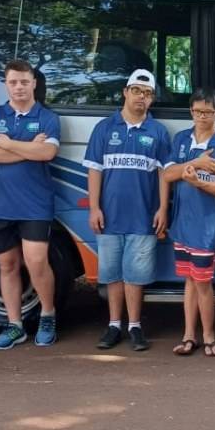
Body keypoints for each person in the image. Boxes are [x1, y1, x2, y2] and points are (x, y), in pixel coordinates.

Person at [0, 59, 61, 350]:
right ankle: (15, 326)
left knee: (37, 263)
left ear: (34, 82)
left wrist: (8, 144)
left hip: (36, 204)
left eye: (24, 81)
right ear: (6, 85)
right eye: (13, 82)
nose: (19, 87)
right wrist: (28, 149)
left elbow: (47, 152)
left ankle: (48, 315)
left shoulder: (48, 117)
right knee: (7, 265)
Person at [85, 69, 171, 352]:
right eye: (136, 91)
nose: (141, 98)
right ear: (125, 92)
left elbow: (163, 175)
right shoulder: (104, 128)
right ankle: (113, 325)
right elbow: (95, 172)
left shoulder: (158, 132)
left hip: (143, 217)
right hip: (109, 217)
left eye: (147, 94)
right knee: (112, 274)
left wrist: (162, 208)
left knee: (135, 275)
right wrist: (94, 207)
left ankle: (135, 326)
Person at [161, 87, 215, 357]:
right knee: (189, 282)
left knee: (203, 282)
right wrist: (196, 164)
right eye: (196, 111)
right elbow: (168, 174)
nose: (201, 116)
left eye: (207, 112)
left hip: (206, 227)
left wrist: (196, 181)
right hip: (182, 223)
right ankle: (188, 336)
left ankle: (209, 337)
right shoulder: (182, 139)